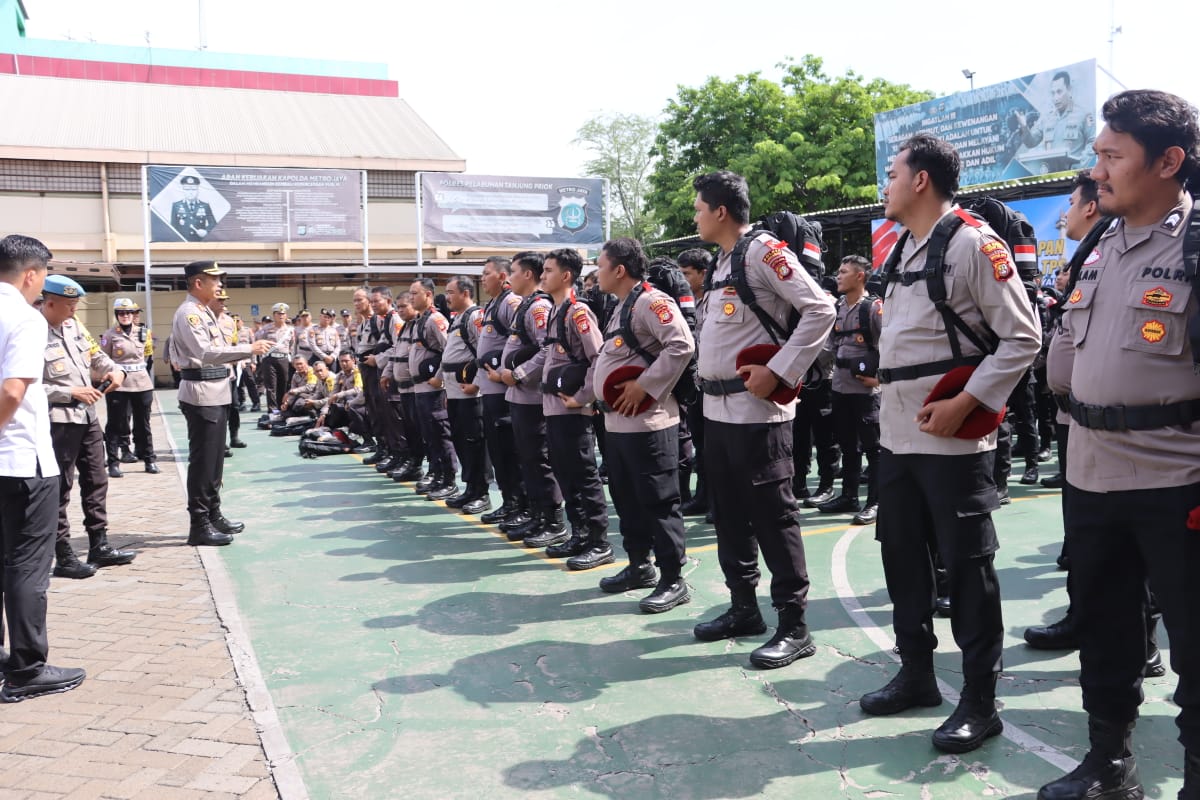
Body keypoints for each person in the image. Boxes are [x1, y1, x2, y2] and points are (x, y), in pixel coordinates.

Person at [1035, 90, 1200, 800]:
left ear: (1168, 161)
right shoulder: (1099, 245)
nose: (1096, 171)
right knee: (1104, 630)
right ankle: (1109, 763)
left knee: (1194, 642)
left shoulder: (1194, 245)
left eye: (1112, 156)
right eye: (1096, 155)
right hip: (1090, 474)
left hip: (1177, 481)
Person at [861, 135, 1040, 753]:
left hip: (955, 442)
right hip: (897, 436)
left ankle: (980, 701)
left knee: (967, 570)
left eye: (892, 173)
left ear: (920, 180)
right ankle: (916, 675)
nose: (885, 185)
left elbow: (1023, 337)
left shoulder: (973, 244)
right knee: (902, 559)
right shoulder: (902, 248)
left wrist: (969, 401)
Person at [691, 170, 836, 670]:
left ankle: (794, 626)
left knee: (774, 519)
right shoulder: (721, 260)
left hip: (758, 413)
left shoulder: (762, 251)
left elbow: (820, 309)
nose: (695, 216)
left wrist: (779, 370)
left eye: (699, 208)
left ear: (721, 212)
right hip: (717, 412)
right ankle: (743, 608)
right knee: (729, 515)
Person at [0, 234, 88, 702]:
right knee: (28, 567)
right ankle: (27, 669)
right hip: (21, 459)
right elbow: (13, 390)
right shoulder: (24, 317)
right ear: (31, 274)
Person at [593, 238, 696, 609]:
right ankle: (639, 566)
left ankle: (673, 579)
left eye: (600, 266)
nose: (596, 273)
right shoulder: (622, 306)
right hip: (618, 425)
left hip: (650, 425)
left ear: (619, 269)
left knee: (659, 502)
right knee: (627, 500)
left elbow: (682, 345)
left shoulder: (652, 302)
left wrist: (645, 385)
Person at [39, 275, 137, 579]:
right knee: (60, 487)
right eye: (69, 304)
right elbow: (25, 386)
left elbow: (97, 356)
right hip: (57, 420)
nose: (74, 309)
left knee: (96, 479)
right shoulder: (31, 332)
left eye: (76, 304)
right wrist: (69, 392)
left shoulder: (74, 326)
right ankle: (63, 554)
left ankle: (99, 544)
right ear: (49, 303)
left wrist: (116, 371)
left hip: (88, 417)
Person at [172, 261, 273, 547]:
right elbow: (205, 352)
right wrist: (248, 349)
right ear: (198, 283)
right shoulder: (190, 313)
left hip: (216, 391)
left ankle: (213, 514)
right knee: (203, 462)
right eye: (214, 280)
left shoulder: (205, 311)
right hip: (202, 393)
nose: (220, 285)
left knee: (215, 461)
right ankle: (199, 524)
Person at [531, 249, 610, 564]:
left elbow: (598, 357)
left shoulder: (578, 312)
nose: (543, 276)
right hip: (553, 408)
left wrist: (585, 396)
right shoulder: (555, 311)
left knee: (584, 476)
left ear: (566, 276)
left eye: (549, 270)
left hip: (573, 412)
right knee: (565, 474)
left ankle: (599, 542)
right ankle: (579, 534)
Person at [493, 252, 564, 543]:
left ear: (527, 275)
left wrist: (519, 374)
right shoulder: (525, 305)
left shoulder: (538, 308)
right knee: (527, 460)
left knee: (538, 460)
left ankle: (553, 521)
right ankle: (537, 516)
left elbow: (547, 349)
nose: (509, 277)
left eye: (513, 271)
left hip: (532, 398)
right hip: (519, 397)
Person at [816, 255, 882, 525]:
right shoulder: (838, 308)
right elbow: (828, 347)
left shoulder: (873, 309)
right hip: (840, 388)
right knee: (848, 445)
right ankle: (849, 496)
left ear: (860, 276)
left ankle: (876, 502)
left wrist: (880, 379)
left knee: (873, 449)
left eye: (844, 272)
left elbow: (889, 346)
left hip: (867, 393)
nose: (838, 276)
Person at [474, 257, 528, 526]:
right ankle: (509, 502)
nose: (482, 278)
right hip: (490, 390)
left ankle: (521, 505)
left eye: (487, 274)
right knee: (497, 451)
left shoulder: (510, 303)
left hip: (503, 389)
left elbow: (520, 343)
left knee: (510, 451)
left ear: (502, 276)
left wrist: (504, 372)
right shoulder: (492, 305)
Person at [439, 276, 493, 514]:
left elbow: (484, 351)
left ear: (465, 293)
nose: (447, 297)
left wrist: (477, 383)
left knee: (475, 443)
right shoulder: (456, 319)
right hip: (455, 393)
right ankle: (470, 488)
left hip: (471, 393)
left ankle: (482, 493)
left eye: (451, 292)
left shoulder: (475, 316)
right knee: (461, 442)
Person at [406, 279, 459, 497]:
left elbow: (450, 349)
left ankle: (449, 480)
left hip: (433, 390)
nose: (411, 297)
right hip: (420, 389)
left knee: (440, 434)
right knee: (429, 436)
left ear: (428, 295)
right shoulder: (420, 320)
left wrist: (439, 378)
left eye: (415, 293)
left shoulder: (436, 320)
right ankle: (437, 475)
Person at [101, 297, 159, 477]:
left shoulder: (144, 332)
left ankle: (149, 460)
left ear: (133, 314)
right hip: (119, 385)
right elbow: (103, 360)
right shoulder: (109, 335)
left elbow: (148, 354)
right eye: (121, 313)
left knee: (144, 424)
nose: (125, 315)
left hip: (142, 383)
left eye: (128, 312)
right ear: (116, 314)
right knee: (115, 424)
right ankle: (113, 463)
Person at [677, 248, 712, 518]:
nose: (683, 280)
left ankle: (718, 501)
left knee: (715, 447)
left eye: (687, 274)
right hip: (697, 384)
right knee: (700, 444)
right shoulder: (686, 305)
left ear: (704, 273)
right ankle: (703, 497)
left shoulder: (716, 301)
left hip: (715, 384)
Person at [1016, 70, 1095, 169]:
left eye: (1059, 92)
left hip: (1074, 174)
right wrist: (1024, 127)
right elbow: (1031, 142)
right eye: (1053, 93)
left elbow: (1093, 141)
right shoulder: (1047, 118)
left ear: (1069, 90)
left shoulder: (1083, 114)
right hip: (1051, 175)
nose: (1055, 98)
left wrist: (1081, 165)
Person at [210, 290, 246, 453]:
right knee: (219, 409)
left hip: (229, 372)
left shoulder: (230, 321)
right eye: (219, 300)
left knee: (234, 406)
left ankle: (234, 437)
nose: (223, 303)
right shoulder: (204, 320)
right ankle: (220, 441)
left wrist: (238, 360)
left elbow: (233, 344)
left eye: (224, 300)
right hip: (212, 373)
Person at [255, 303, 294, 412]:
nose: (281, 316)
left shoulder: (290, 330)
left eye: (283, 314)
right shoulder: (266, 328)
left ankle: (282, 409)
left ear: (286, 316)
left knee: (283, 384)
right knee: (271, 386)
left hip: (283, 359)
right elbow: (258, 340)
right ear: (274, 315)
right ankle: (272, 410)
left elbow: (292, 344)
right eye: (278, 313)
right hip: (269, 359)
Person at [170, 174, 217, 242]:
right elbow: (173, 227)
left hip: (200, 242)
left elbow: (213, 223)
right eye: (187, 189)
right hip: (182, 242)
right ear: (183, 190)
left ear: (198, 190)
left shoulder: (205, 206)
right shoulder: (176, 205)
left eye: (194, 189)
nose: (191, 192)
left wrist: (206, 231)